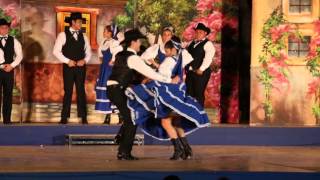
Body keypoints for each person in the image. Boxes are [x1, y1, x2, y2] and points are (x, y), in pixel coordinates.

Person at [125, 37, 210, 160]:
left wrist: (150, 79)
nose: (165, 53)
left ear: (171, 50)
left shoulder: (169, 60)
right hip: (177, 93)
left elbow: (162, 76)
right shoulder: (178, 59)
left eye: (166, 51)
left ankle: (178, 150)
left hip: (167, 94)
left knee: (166, 122)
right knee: (175, 122)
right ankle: (186, 149)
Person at [106, 29, 180, 160]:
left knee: (133, 116)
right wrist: (170, 80)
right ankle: (124, 152)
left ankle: (122, 146)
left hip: (115, 89)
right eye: (139, 41)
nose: (140, 44)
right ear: (133, 42)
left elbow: (128, 73)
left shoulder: (120, 54)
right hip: (118, 89)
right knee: (131, 120)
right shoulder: (133, 58)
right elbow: (150, 73)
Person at [53, 12, 92, 124]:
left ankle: (83, 116)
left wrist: (84, 60)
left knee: (81, 90)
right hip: (68, 67)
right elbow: (55, 51)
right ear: (73, 22)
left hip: (80, 68)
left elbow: (88, 52)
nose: (81, 24)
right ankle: (64, 117)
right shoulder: (62, 35)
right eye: (79, 22)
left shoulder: (84, 36)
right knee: (68, 91)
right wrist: (67, 61)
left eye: (81, 22)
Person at [95, 24, 120, 124]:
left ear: (110, 33)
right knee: (105, 93)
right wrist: (101, 59)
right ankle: (108, 116)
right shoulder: (104, 42)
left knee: (111, 92)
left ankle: (120, 116)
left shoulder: (115, 43)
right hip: (104, 69)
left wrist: (112, 60)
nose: (103, 33)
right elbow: (100, 53)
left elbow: (118, 53)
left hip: (110, 70)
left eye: (105, 31)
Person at [186, 23, 215, 107]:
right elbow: (187, 55)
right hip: (191, 72)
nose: (198, 33)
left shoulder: (208, 44)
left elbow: (208, 58)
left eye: (200, 32)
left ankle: (199, 116)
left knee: (198, 94)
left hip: (201, 72)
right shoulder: (192, 43)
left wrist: (201, 69)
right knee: (189, 94)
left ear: (205, 33)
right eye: (197, 32)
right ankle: (190, 115)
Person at [0, 18, 23, 124]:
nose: (5, 30)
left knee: (8, 95)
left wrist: (12, 65)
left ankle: (7, 119)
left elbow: (19, 55)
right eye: (2, 28)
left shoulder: (13, 40)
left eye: (6, 28)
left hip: (9, 71)